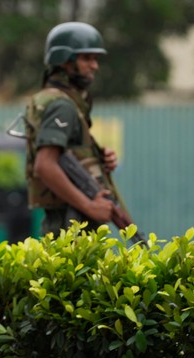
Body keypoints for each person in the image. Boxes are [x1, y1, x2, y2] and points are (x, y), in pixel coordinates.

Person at [24, 22, 121, 236]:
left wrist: (97, 159)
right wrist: (90, 206)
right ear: (64, 61)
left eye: (95, 59)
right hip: (69, 222)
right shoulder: (62, 106)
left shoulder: (57, 100)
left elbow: (67, 153)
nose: (94, 65)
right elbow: (45, 165)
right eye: (86, 58)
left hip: (68, 220)